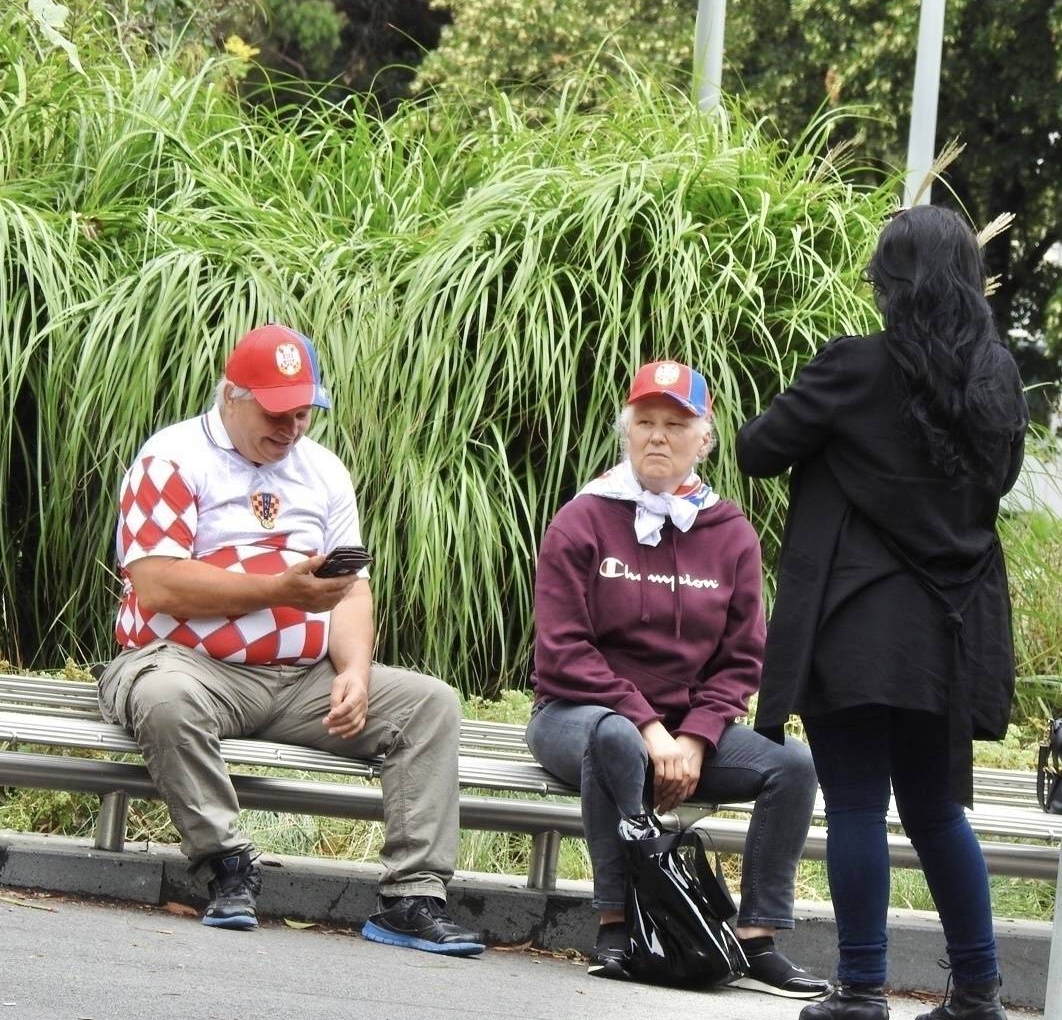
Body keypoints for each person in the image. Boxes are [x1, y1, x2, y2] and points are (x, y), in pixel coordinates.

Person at [98, 323, 483, 956]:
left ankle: (411, 898)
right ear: (231, 396)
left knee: (430, 703)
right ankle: (224, 864)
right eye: (277, 413)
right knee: (164, 700)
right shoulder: (171, 459)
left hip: (302, 677)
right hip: (189, 665)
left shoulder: (322, 470)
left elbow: (350, 587)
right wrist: (279, 590)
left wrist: (355, 671)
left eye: (304, 412)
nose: (291, 427)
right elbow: (159, 585)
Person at [736, 205, 1028, 1020]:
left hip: (858, 624)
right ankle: (977, 992)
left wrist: (840, 442)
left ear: (892, 283)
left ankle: (861, 990)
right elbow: (995, 486)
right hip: (953, 627)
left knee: (858, 804)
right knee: (938, 811)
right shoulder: (996, 378)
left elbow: (760, 449)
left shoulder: (855, 367)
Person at [526, 359, 830, 998]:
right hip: (576, 716)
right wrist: (648, 728)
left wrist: (694, 736)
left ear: (704, 438)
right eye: (645, 422)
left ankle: (756, 940)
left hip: (684, 733)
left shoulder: (730, 533)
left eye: (676, 424)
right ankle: (619, 924)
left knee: (793, 765)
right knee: (613, 740)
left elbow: (743, 658)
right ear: (626, 432)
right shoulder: (583, 519)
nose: (658, 437)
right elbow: (563, 652)